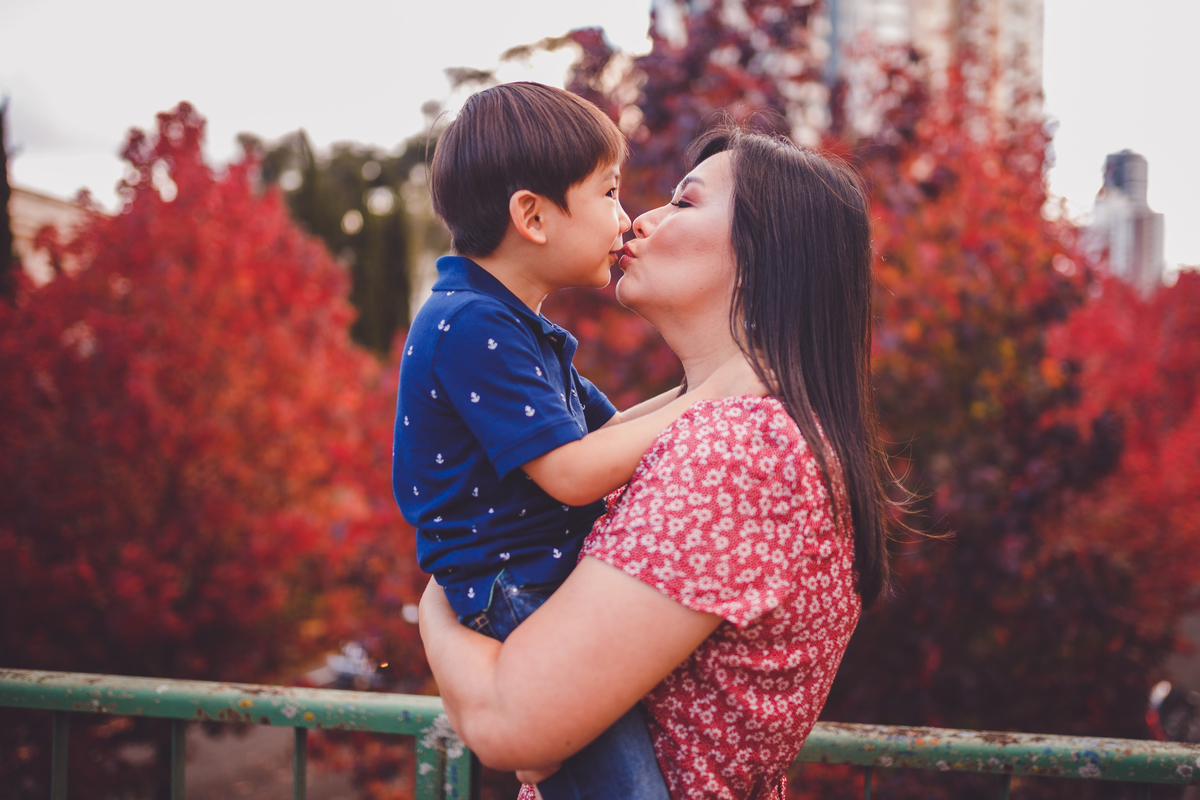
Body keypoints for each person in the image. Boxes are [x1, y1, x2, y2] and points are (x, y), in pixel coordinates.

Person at [418, 125, 894, 800]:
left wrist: (440, 596)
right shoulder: (746, 426)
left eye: (686, 203)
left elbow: (510, 725)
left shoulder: (740, 454)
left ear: (767, 257)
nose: (639, 219)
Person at [393, 84, 763, 800]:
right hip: (512, 587)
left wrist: (717, 379)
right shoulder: (471, 326)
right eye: (609, 193)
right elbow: (571, 473)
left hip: (528, 578)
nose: (623, 219)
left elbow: (611, 433)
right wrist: (720, 395)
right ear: (532, 216)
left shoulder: (513, 328)